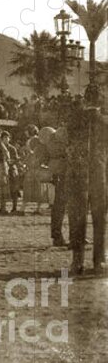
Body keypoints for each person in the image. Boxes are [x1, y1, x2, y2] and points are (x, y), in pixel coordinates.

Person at [64, 104, 107, 276]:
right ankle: (98, 261)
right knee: (99, 220)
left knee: (78, 219)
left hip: (81, 177)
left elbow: (68, 151)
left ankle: (79, 261)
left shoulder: (74, 122)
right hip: (97, 177)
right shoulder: (104, 122)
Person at [0, 131, 22, 214]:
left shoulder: (12, 148)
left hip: (12, 170)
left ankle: (14, 208)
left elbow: (16, 159)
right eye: (4, 138)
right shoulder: (0, 148)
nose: (6, 139)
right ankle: (2, 207)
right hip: (4, 170)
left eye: (7, 138)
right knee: (3, 189)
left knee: (14, 190)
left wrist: (10, 162)